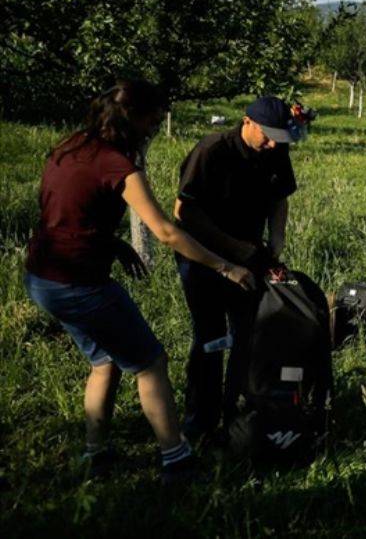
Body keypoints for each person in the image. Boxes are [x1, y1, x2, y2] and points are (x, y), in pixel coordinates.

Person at [24, 80, 254, 481]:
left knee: (104, 361)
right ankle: (177, 460)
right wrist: (226, 267)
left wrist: (114, 244)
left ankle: (96, 453)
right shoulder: (117, 163)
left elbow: (66, 212)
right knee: (150, 363)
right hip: (80, 285)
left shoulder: (70, 146)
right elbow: (166, 231)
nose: (155, 126)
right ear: (133, 117)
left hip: (42, 277)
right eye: (152, 118)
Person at [172, 95, 302, 443]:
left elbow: (279, 198)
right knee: (211, 339)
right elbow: (185, 212)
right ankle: (199, 423)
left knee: (249, 334)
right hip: (203, 257)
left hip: (250, 254)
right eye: (268, 135)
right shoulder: (212, 151)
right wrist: (231, 255)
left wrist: (276, 237)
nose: (274, 144)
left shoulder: (276, 150)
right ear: (247, 122)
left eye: (280, 138)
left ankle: (238, 415)